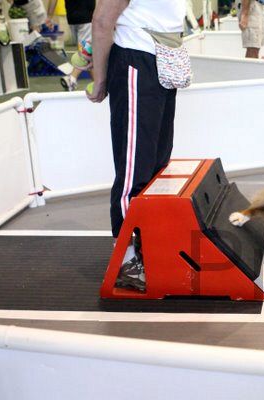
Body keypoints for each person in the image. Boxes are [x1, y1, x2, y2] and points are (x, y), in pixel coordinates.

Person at [87, 0, 187, 291]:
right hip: (135, 58)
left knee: (157, 164)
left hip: (162, 58)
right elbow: (102, 20)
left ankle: (148, 248)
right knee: (135, 168)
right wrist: (100, 78)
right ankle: (126, 258)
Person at [47, 0, 95, 91]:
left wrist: (49, 16)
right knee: (87, 52)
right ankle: (72, 77)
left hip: (72, 18)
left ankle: (97, 86)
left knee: (88, 52)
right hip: (87, 18)